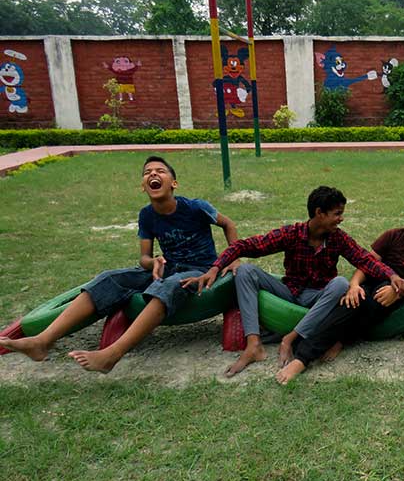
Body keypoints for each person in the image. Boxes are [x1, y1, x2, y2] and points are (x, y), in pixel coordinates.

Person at [0, 156, 238, 373]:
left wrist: (233, 258)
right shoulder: (147, 215)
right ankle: (42, 341)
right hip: (168, 266)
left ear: (174, 183)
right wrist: (153, 261)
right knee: (109, 278)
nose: (153, 174)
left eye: (160, 171)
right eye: (147, 173)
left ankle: (112, 354)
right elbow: (143, 258)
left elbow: (228, 224)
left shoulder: (195, 207)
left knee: (168, 287)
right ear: (142, 186)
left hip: (199, 269)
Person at [184, 186, 404, 383]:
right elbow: (244, 246)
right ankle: (253, 344)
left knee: (339, 284)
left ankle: (291, 338)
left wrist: (392, 276)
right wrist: (214, 268)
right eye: (337, 214)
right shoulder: (291, 234)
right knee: (245, 270)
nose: (341, 219)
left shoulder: (338, 238)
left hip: (318, 298)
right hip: (289, 291)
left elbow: (365, 260)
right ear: (319, 213)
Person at [338, 195, 404, 356]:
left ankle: (340, 341)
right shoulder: (393, 236)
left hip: (398, 292)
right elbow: (367, 264)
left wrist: (397, 292)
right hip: (374, 281)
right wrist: (354, 285)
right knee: (352, 297)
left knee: (378, 296)